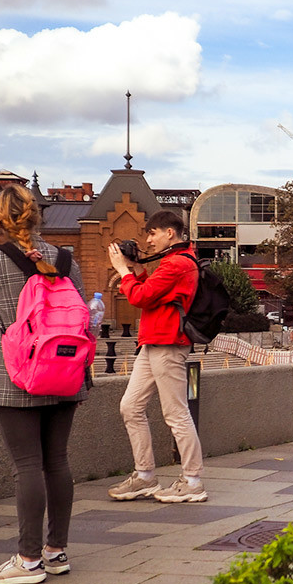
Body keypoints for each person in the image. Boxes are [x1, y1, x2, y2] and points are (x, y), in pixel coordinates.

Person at [0, 185, 89, 584]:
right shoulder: (67, 258)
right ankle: (56, 552)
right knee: (57, 461)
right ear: (37, 216)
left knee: (28, 466)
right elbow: (83, 313)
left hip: (18, 373)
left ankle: (28, 559)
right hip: (66, 370)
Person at [107, 211, 207, 504]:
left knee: (175, 413)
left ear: (170, 234)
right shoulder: (171, 262)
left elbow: (139, 297)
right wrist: (136, 268)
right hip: (152, 342)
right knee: (130, 406)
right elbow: (150, 293)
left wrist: (122, 270)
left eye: (152, 233)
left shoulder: (177, 263)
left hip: (168, 344)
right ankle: (145, 476)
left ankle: (192, 481)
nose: (148, 240)